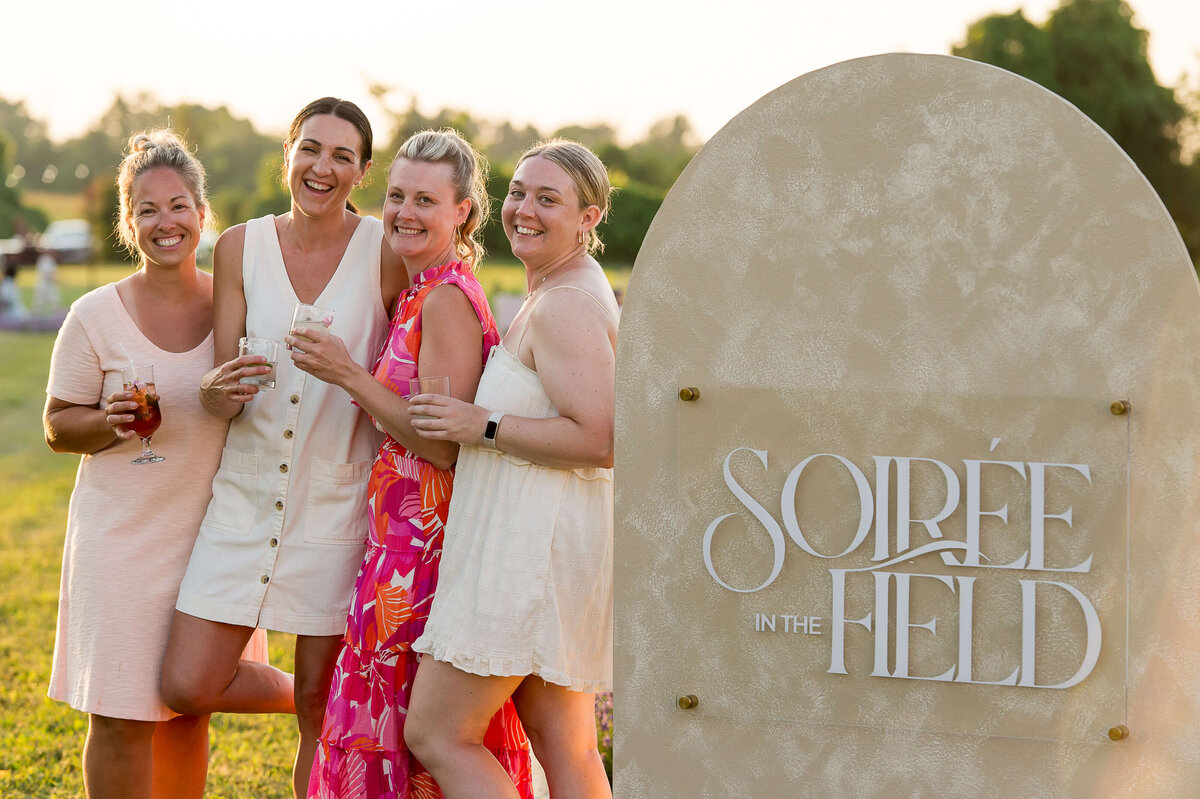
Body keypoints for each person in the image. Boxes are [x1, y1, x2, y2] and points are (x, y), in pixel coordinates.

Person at [160, 97, 406, 797]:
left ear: (361, 172)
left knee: (315, 720)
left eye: (341, 156)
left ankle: (323, 702)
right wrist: (218, 389)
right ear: (288, 155)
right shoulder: (240, 245)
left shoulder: (384, 252)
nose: (321, 166)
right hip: (241, 503)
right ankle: (333, 695)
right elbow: (218, 387)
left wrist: (348, 372)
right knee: (186, 682)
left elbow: (402, 374)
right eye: (310, 149)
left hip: (336, 508)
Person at [294, 128, 533, 798]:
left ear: (462, 211)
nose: (403, 210)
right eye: (396, 194)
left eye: (425, 199)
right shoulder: (420, 287)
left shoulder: (448, 299)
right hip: (396, 540)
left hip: (421, 553)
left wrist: (348, 373)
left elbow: (440, 443)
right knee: (384, 719)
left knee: (400, 727)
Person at [43, 130, 268, 799]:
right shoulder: (93, 316)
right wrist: (106, 423)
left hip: (211, 541)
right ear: (128, 222)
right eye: (147, 209)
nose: (164, 221)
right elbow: (58, 425)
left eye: (177, 206)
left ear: (202, 214)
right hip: (121, 543)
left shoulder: (237, 302)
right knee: (118, 717)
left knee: (187, 711)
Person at [404, 139, 618, 799]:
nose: (524, 209)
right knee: (568, 746)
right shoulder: (560, 289)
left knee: (438, 733)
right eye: (520, 192)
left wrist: (484, 425)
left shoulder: (566, 306)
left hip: (528, 561)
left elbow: (601, 436)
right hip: (549, 553)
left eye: (547, 199)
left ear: (589, 217)